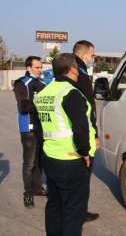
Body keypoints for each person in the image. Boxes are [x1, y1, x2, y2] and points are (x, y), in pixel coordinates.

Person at [34, 53, 96, 235]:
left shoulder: (44, 93)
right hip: (71, 160)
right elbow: (80, 127)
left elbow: (39, 128)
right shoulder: (71, 93)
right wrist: (84, 152)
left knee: (54, 206)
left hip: (51, 158)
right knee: (73, 212)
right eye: (76, 68)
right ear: (72, 69)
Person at [13, 56, 47, 209]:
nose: (40, 70)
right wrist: (40, 104)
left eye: (41, 67)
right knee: (29, 163)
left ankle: (37, 188)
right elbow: (23, 106)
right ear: (29, 68)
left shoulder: (43, 84)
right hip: (28, 129)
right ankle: (28, 193)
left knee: (39, 161)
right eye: (37, 67)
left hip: (42, 129)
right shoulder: (21, 83)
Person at [72, 40, 100, 222]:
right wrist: (95, 134)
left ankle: (74, 210)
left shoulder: (67, 73)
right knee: (83, 176)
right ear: (83, 55)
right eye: (92, 55)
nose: (93, 59)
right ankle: (80, 213)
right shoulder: (80, 75)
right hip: (84, 133)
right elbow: (88, 108)